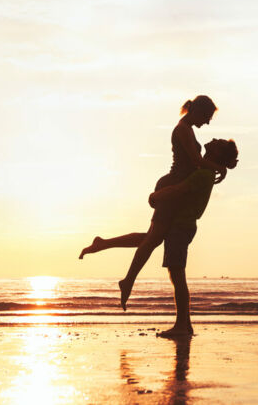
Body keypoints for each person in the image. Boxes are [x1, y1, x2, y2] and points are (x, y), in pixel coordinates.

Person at [78, 96, 227, 307]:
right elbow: (195, 161)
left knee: (152, 237)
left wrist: (215, 168)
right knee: (151, 240)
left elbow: (196, 164)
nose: (208, 122)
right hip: (171, 187)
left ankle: (104, 244)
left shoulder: (188, 128)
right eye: (208, 116)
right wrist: (218, 167)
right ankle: (127, 280)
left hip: (175, 190)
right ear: (198, 111)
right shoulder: (183, 129)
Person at [81, 139, 238, 338]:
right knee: (150, 239)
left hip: (181, 227)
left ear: (217, 153)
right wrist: (219, 168)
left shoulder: (203, 174)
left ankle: (181, 325)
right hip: (180, 225)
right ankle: (186, 325)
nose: (215, 139)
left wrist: (156, 195)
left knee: (178, 278)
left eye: (219, 143)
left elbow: (178, 189)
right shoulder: (204, 170)